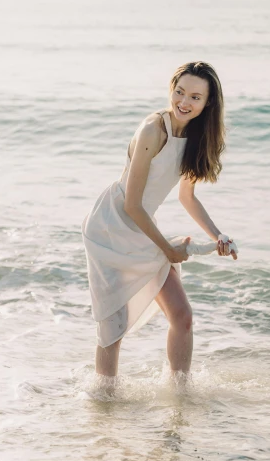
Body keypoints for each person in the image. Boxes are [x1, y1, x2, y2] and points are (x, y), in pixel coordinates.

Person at [81, 60, 237, 387]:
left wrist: (218, 235)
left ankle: (179, 394)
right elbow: (131, 204)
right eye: (179, 92)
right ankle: (104, 402)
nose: (184, 102)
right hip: (111, 226)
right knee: (114, 322)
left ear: (208, 103)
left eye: (195, 97)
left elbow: (187, 198)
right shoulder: (153, 129)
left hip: (143, 227)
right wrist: (167, 248)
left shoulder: (195, 137)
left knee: (182, 316)